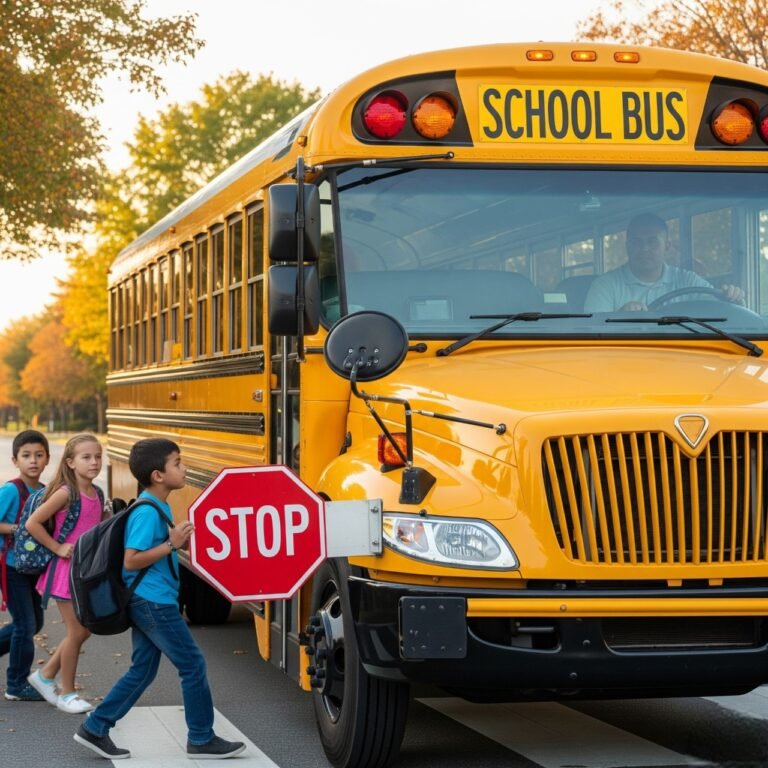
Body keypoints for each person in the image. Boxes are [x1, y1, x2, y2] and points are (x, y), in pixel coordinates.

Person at [74, 438, 245, 760]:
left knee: (142, 670)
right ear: (158, 475)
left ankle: (95, 727)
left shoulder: (157, 506)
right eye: (177, 463)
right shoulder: (148, 512)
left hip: (150, 599)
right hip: (152, 602)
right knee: (192, 665)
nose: (184, 468)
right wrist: (172, 544)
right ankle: (201, 737)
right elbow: (131, 560)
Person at [25, 433, 105, 714]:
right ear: (70, 462)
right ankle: (67, 693)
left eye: (97, 456)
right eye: (86, 457)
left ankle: (45, 676)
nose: (94, 462)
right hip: (65, 573)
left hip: (86, 573)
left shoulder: (97, 493)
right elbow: (33, 523)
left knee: (83, 631)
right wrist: (57, 547)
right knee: (77, 631)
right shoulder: (65, 493)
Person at [584, 213, 744, 312]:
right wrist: (619, 317)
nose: (644, 248)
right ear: (627, 246)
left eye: (652, 242)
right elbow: (592, 337)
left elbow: (721, 311)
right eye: (636, 242)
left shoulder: (687, 281)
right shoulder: (605, 285)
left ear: (667, 247)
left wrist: (733, 298)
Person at [0, 430, 50, 701]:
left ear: (47, 460)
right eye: (27, 455)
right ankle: (16, 684)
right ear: (15, 460)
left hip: (34, 568)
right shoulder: (11, 490)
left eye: (39, 455)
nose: (33, 461)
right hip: (11, 566)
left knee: (34, 622)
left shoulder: (44, 492)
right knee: (25, 625)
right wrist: (18, 529)